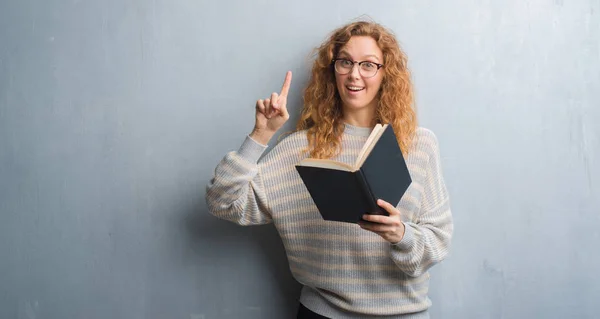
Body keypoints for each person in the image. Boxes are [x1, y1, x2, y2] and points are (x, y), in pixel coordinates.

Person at [205, 20, 453, 319]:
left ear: (386, 72)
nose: (354, 74)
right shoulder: (298, 149)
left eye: (368, 64)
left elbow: (437, 241)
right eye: (345, 62)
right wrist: (261, 134)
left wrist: (402, 235)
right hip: (323, 313)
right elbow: (224, 203)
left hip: (405, 314)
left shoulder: (420, 144)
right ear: (332, 70)